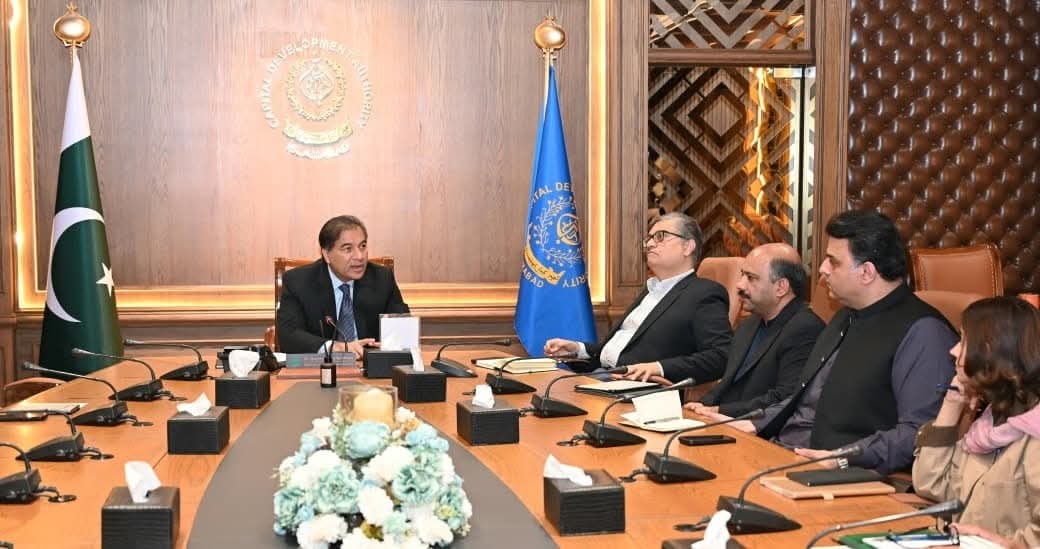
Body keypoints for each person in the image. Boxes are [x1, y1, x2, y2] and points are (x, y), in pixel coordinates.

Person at [701, 210, 957, 474]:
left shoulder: (925, 333)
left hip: (844, 474)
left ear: (867, 272)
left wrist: (843, 458)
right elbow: (806, 399)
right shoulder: (845, 316)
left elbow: (918, 432)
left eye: (833, 262)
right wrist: (753, 422)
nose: (822, 269)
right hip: (784, 453)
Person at [544, 212, 732, 384]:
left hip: (642, 392)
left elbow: (721, 356)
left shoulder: (705, 293)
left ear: (687, 247)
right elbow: (617, 354)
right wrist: (577, 350)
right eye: (649, 239)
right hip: (603, 378)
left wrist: (658, 368)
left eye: (660, 237)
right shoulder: (650, 290)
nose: (649, 244)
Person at [913, 297, 1040, 548]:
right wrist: (952, 402)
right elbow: (932, 485)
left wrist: (1007, 544)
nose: (953, 351)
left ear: (992, 349)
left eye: (963, 341)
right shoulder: (989, 423)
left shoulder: (1034, 436)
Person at [686, 243, 824, 418]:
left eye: (751, 278)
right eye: (742, 274)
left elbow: (785, 397)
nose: (739, 285)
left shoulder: (805, 329)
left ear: (781, 287)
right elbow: (727, 383)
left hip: (758, 428)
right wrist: (700, 405)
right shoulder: (750, 323)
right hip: (722, 421)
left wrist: (720, 411)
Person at [276, 215, 409, 357]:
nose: (359, 256)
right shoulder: (298, 282)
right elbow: (288, 335)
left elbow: (403, 328)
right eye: (348, 249)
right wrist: (335, 347)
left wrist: (389, 344)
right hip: (321, 366)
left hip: (370, 365)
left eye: (362, 246)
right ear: (326, 254)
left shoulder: (382, 278)